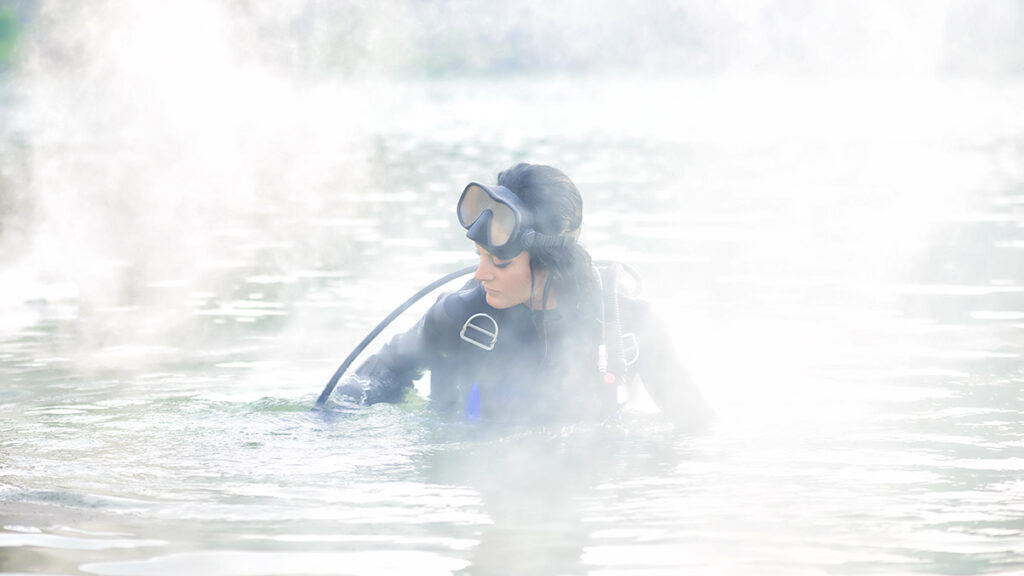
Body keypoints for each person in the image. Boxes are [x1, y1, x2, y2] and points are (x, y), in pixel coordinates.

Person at [333, 163, 711, 429]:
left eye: (500, 262)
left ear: (552, 261)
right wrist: (334, 427)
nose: (481, 275)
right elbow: (376, 377)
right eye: (479, 257)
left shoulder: (628, 326)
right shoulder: (460, 318)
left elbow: (697, 426)